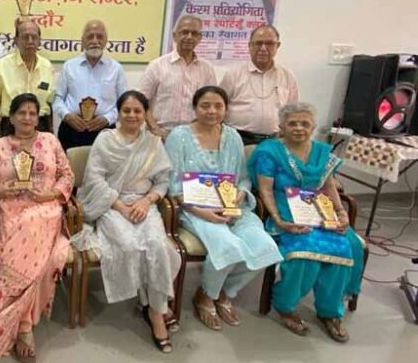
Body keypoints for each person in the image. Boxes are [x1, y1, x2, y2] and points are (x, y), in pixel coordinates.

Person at [0, 93, 74, 361]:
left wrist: (50, 195)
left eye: (32, 113)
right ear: (11, 117)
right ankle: (20, 325)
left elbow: (67, 175)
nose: (27, 118)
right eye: (21, 113)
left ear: (38, 118)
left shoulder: (50, 141)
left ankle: (20, 326)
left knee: (29, 225)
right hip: (9, 211)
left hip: (45, 209)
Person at [164, 86, 282, 331]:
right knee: (229, 247)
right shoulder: (178, 136)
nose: (212, 111)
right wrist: (204, 212)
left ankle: (225, 292)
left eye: (218, 106)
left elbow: (244, 178)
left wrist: (239, 196)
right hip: (194, 209)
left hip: (233, 208)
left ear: (226, 109)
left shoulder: (233, 137)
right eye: (205, 105)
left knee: (266, 247)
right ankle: (206, 296)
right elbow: (172, 185)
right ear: (195, 108)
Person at [73, 90, 181, 353]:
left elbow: (162, 181)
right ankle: (148, 298)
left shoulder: (153, 143)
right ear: (118, 113)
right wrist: (120, 205)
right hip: (111, 203)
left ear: (145, 114)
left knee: (158, 246)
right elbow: (94, 179)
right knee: (129, 245)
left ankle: (156, 311)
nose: (132, 115)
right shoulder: (105, 139)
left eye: (138, 111)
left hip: (144, 204)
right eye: (126, 110)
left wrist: (146, 201)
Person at [249, 102, 364, 342]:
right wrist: (278, 220)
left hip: (318, 210)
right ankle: (285, 305)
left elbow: (329, 185)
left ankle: (330, 311)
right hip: (284, 210)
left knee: (345, 246)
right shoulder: (269, 151)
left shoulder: (322, 152)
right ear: (281, 126)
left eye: (305, 123)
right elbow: (265, 190)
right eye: (292, 123)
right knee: (304, 253)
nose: (299, 128)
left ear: (313, 127)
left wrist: (340, 212)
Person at [52, 20, 127, 150]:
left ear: (106, 40)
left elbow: (123, 103)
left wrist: (108, 118)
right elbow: (57, 98)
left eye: (100, 37)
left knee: (104, 164)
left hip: (105, 131)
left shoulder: (116, 69)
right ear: (82, 40)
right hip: (71, 130)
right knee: (69, 163)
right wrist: (67, 115)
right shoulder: (69, 66)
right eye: (90, 36)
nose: (95, 41)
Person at [220, 25, 299, 145]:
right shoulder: (233, 75)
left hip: (274, 141)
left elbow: (292, 112)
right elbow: (219, 107)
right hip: (237, 139)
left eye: (269, 43)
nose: (263, 48)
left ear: (277, 46)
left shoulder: (287, 76)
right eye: (258, 43)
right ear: (250, 45)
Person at [139, 15, 216, 138]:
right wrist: (155, 129)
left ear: (199, 38)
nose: (189, 37)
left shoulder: (207, 69)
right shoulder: (157, 66)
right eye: (184, 32)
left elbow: (211, 103)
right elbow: (141, 101)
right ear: (175, 36)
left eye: (194, 33)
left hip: (195, 134)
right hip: (160, 133)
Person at [0, 20, 55, 135]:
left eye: (34, 37)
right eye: (25, 37)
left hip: (41, 125)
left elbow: (50, 101)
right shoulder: (1, 65)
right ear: (16, 40)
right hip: (11, 126)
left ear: (39, 41)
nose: (30, 41)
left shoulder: (47, 66)